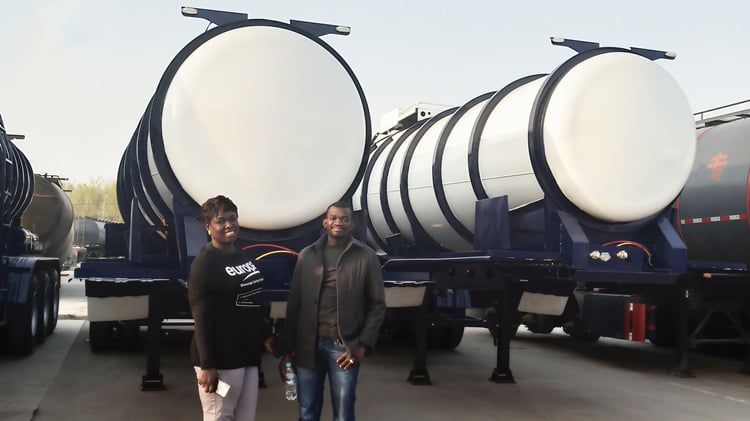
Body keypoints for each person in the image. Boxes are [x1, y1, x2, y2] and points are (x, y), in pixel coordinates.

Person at [275, 201, 386, 421]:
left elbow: (377, 305)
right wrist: (287, 350)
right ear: (325, 223)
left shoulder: (365, 256)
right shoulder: (307, 255)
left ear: (352, 224)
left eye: (344, 219)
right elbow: (294, 305)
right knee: (307, 412)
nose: (338, 223)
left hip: (343, 349)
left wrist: (362, 346)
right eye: (333, 218)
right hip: (307, 347)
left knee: (344, 414)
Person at [188, 195, 273, 421]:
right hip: (221, 358)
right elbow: (201, 316)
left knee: (245, 417)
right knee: (219, 415)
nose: (229, 224)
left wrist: (266, 335)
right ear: (208, 227)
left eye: (233, 218)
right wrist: (207, 365)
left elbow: (253, 302)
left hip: (247, 352)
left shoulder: (240, 254)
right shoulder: (205, 264)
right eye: (220, 220)